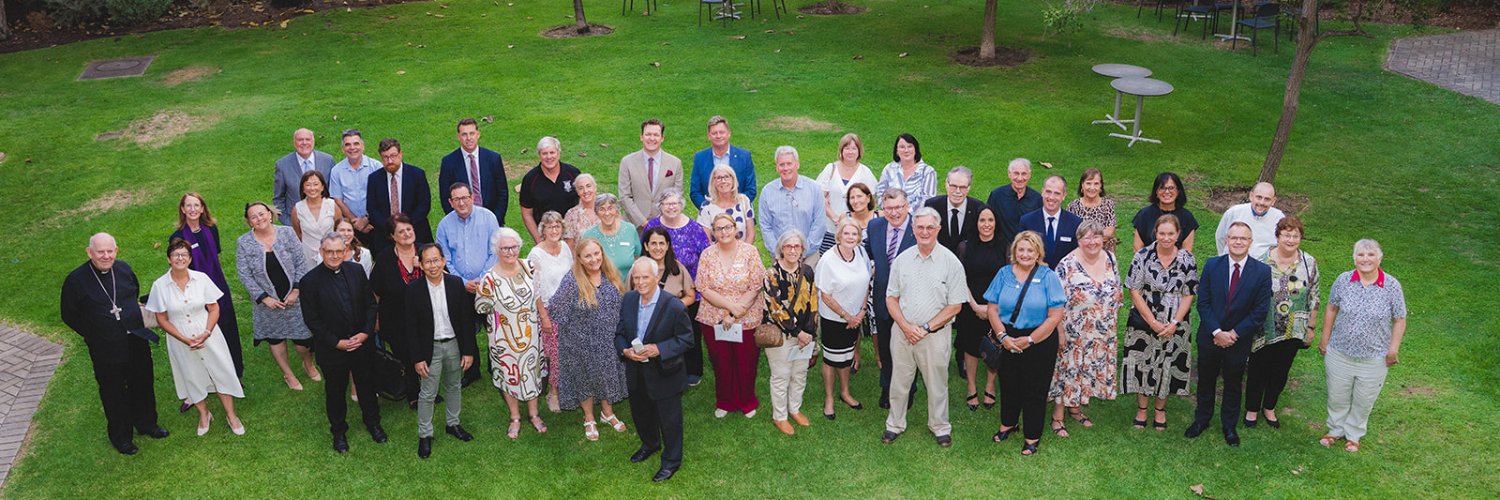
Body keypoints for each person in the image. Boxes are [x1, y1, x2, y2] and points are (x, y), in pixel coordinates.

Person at [60, 233, 169, 455]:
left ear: (116, 251)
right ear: (89, 252)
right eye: (100, 251)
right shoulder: (76, 281)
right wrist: (95, 333)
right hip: (105, 347)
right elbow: (69, 315)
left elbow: (134, 293)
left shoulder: (124, 269)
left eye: (110, 251)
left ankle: (147, 424)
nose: (106, 256)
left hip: (135, 338)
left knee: (143, 382)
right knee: (113, 391)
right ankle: (121, 437)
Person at [881, 207, 968, 448]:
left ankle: (940, 426)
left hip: (935, 336)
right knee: (899, 381)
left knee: (937, 384)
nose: (925, 231)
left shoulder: (951, 262)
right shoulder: (902, 260)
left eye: (930, 227)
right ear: (913, 229)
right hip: (902, 334)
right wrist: (906, 327)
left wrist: (926, 328)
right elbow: (891, 298)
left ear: (938, 229)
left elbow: (956, 305)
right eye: (920, 227)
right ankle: (894, 424)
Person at [145, 239, 246, 436]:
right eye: (176, 255)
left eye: (184, 254)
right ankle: (204, 413)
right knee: (191, 375)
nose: (180, 258)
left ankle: (231, 415)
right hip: (178, 337)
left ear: (190, 259)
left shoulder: (202, 278)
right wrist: (184, 339)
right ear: (168, 259)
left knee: (221, 370)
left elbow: (214, 308)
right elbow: (162, 319)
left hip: (207, 331)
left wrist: (206, 332)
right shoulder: (160, 286)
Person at [1185, 222, 1272, 448]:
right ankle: (1201, 420)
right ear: (1227, 240)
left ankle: (1229, 426)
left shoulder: (1262, 272)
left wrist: (1232, 333)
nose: (1238, 242)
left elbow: (1259, 311)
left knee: (1233, 383)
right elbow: (1203, 303)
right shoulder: (1213, 265)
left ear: (1250, 242)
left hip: (1238, 340)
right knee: (1206, 381)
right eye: (1234, 237)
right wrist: (1216, 331)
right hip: (1210, 337)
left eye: (1243, 238)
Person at [1317, 239, 1406, 453]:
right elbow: (1331, 309)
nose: (1365, 259)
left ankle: (1354, 434)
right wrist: (1324, 339)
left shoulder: (1391, 285)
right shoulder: (1343, 280)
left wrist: (1393, 349)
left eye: (1370, 255)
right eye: (1361, 255)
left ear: (1379, 258)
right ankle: (1335, 430)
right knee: (1337, 395)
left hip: (1374, 357)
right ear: (1354, 258)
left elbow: (1400, 318)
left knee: (1363, 399)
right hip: (1340, 352)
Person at [300, 235, 386, 453]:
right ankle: (339, 432)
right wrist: (336, 342)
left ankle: (373, 423)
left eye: (339, 251)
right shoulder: (309, 282)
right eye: (329, 251)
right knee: (335, 391)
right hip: (333, 350)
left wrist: (365, 334)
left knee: (367, 385)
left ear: (345, 250)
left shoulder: (356, 271)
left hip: (361, 344)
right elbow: (312, 320)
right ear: (321, 251)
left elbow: (370, 305)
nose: (334, 256)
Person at [984, 231, 1066, 455]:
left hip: (1039, 340)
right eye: (1021, 249)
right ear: (1014, 252)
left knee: (1035, 389)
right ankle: (1008, 423)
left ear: (1038, 252)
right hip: (1008, 335)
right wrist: (1003, 337)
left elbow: (1055, 315)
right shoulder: (1003, 274)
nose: (1025, 254)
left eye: (1030, 250)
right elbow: (992, 308)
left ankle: (1032, 435)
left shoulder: (1048, 276)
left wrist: (1030, 340)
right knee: (1009, 384)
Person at [616, 257, 695, 482]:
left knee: (669, 420)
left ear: (657, 277)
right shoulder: (629, 299)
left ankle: (671, 461)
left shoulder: (674, 306)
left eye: (645, 277)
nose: (640, 282)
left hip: (665, 373)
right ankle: (650, 444)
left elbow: (687, 339)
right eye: (636, 277)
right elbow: (620, 332)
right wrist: (625, 351)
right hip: (636, 371)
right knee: (641, 412)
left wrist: (659, 349)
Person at [1121, 214, 1198, 430]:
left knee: (1168, 363)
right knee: (1143, 364)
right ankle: (1142, 410)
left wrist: (1174, 321)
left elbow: (1189, 293)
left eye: (1170, 234)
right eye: (1162, 233)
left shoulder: (1187, 259)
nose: (1166, 238)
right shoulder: (1142, 256)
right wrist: (1152, 321)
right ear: (1155, 233)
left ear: (1178, 234)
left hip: (1176, 320)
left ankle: (1160, 410)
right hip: (1145, 317)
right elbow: (1134, 290)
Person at [548, 238, 630, 441]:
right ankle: (589, 417)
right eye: (588, 256)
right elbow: (555, 309)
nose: (594, 259)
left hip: (609, 340)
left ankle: (607, 413)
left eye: (596, 253)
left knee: (607, 375)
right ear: (580, 259)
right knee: (585, 378)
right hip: (580, 343)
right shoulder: (572, 281)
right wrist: (576, 332)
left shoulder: (611, 276)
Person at [1244, 215, 1319, 429]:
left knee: (1280, 371)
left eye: (1295, 235)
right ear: (1277, 236)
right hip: (1263, 328)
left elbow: (1314, 295)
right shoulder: (1260, 260)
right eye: (1286, 234)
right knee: (1258, 369)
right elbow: (1249, 294)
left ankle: (1269, 407)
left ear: (1300, 238)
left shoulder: (1309, 262)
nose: (1291, 239)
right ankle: (1251, 409)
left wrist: (1311, 327)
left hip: (1294, 329)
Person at [1048, 221, 1122, 437]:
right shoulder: (1066, 264)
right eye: (1086, 238)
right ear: (1078, 240)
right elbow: (1055, 302)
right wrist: (1060, 331)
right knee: (1068, 370)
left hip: (1102, 331)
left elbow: (1116, 291)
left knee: (1087, 369)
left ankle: (1076, 407)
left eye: (1096, 236)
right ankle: (1058, 416)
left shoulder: (1110, 259)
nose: (1092, 242)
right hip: (1074, 331)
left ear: (1103, 239)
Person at [235, 202, 320, 391]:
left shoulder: (287, 233)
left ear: (270, 214)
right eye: (253, 217)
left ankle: (308, 364)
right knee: (275, 339)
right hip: (268, 304)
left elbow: (300, 261)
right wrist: (264, 298)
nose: (259, 218)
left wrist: (296, 290)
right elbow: (244, 274)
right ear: (249, 222)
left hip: (294, 299)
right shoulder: (244, 242)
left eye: (262, 214)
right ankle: (288, 374)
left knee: (303, 342)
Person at [405, 244, 478, 459]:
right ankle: (425, 434)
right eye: (428, 261)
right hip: (431, 348)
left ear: (444, 261)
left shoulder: (455, 285)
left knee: (454, 386)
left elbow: (466, 320)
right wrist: (417, 358)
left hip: (454, 344)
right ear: (420, 264)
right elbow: (411, 327)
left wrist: (468, 351)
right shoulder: (413, 290)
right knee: (428, 392)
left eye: (436, 260)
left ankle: (452, 424)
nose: (433, 265)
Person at [476, 228, 549, 439]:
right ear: (497, 250)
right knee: (509, 375)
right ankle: (515, 416)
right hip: (503, 337)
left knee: (532, 373)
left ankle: (534, 414)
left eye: (514, 247)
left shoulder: (529, 267)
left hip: (530, 333)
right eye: (505, 248)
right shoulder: (489, 278)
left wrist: (543, 317)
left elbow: (537, 295)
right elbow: (480, 307)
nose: (510, 251)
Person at [695, 213, 767, 418]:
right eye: (718, 229)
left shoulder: (750, 252)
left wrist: (738, 312)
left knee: (746, 361)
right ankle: (724, 401)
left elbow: (756, 284)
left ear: (736, 229)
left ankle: (746, 400)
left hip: (748, 317)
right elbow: (703, 286)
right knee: (721, 361)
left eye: (727, 227)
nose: (724, 232)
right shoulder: (707, 255)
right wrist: (730, 309)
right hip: (714, 318)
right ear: (713, 232)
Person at [169, 192, 244, 378]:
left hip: (217, 285)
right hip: (194, 289)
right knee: (206, 329)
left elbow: (215, 254)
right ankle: (211, 375)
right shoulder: (177, 237)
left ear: (202, 208)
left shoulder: (211, 229)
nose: (193, 209)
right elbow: (179, 267)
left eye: (197, 205)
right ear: (182, 209)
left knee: (227, 328)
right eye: (189, 206)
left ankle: (234, 372)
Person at [761, 231, 818, 435]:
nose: (793, 250)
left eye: (797, 246)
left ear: (802, 249)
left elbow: (813, 302)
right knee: (781, 375)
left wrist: (810, 332)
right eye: (788, 246)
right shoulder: (772, 275)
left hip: (805, 336)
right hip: (781, 335)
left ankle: (794, 408)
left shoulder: (808, 271)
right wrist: (797, 332)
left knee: (800, 373)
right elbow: (775, 309)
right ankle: (780, 416)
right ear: (781, 249)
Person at [864, 188, 915, 409]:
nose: (894, 213)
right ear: (882, 209)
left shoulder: (918, 228)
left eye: (899, 208)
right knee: (885, 347)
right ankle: (887, 386)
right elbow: (867, 253)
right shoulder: (875, 226)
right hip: (883, 299)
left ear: (907, 207)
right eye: (889, 208)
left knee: (907, 348)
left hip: (910, 302)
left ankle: (908, 388)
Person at [815, 219, 870, 420]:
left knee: (846, 357)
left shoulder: (861, 253)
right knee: (831, 359)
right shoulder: (828, 260)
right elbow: (825, 296)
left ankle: (845, 392)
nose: (850, 237)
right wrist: (847, 316)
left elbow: (866, 282)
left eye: (854, 234)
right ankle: (829, 398)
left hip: (855, 317)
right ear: (838, 236)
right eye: (846, 234)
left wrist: (862, 312)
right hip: (834, 318)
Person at [370, 214, 424, 408]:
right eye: (401, 231)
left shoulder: (425, 251)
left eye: (409, 229)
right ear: (392, 236)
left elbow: (443, 277)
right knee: (406, 356)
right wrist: (375, 318)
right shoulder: (385, 258)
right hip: (395, 318)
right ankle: (413, 393)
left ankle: (429, 390)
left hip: (425, 316)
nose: (406, 233)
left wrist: (424, 266)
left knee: (426, 352)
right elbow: (374, 291)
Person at [955, 207, 1004, 411]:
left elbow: (1008, 279)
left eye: (990, 220)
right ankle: (972, 386)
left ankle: (990, 385)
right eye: (982, 219)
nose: (986, 224)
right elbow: (959, 278)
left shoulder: (1005, 246)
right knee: (971, 347)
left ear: (995, 222)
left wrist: (992, 308)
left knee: (995, 345)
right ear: (976, 223)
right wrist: (975, 305)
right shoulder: (965, 247)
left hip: (997, 306)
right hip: (970, 305)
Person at [640, 226, 700, 385]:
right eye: (653, 243)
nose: (658, 248)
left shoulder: (677, 268)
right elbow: (630, 298)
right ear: (646, 246)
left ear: (668, 246)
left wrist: (673, 308)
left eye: (661, 243)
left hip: (671, 325)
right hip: (646, 325)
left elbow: (691, 295)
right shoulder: (638, 269)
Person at [527, 211, 572, 412]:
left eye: (557, 226)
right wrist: (543, 316)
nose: (554, 230)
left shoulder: (565, 248)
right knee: (556, 354)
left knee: (570, 350)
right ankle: (553, 393)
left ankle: (568, 388)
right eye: (549, 227)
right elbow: (534, 289)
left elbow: (572, 277)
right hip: (548, 310)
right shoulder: (535, 254)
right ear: (542, 230)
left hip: (570, 308)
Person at [759, 146, 826, 266]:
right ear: (777, 167)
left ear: (797, 165)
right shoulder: (767, 192)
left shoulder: (814, 189)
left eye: (789, 164)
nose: (785, 168)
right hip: (780, 258)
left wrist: (803, 251)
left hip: (809, 258)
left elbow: (819, 223)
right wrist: (780, 253)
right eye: (781, 164)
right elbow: (766, 226)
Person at [366, 138, 434, 253]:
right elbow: (372, 208)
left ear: (400, 154)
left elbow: (424, 205)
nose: (390, 161)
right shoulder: (374, 179)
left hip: (416, 232)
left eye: (393, 156)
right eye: (385, 157)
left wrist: (405, 228)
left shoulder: (417, 175)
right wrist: (391, 229)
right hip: (385, 236)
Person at [814, 133, 878, 253]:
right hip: (830, 228)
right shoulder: (831, 169)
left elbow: (870, 202)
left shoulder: (865, 172)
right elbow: (819, 197)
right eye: (847, 148)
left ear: (859, 151)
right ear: (841, 150)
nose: (850, 152)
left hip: (854, 232)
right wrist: (835, 217)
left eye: (854, 148)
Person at [438, 118, 508, 224]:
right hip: (462, 222)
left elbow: (502, 193)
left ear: (478, 134)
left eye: (472, 133)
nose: (469, 138)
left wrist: (495, 220)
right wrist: (459, 221)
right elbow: (445, 197)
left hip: (491, 219)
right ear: (458, 137)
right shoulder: (449, 162)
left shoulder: (493, 158)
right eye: (464, 134)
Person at [436, 182, 500, 291]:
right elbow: (444, 259)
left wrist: (482, 279)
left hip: (488, 284)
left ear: (472, 198)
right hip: (457, 287)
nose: (461, 203)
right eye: (456, 199)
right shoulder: (444, 226)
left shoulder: (489, 218)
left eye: (464, 198)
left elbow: (494, 253)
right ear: (450, 202)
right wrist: (462, 283)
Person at [619, 118, 683, 227]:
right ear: (641, 136)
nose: (652, 138)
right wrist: (643, 222)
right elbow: (624, 196)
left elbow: (677, 196)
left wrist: (661, 221)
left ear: (662, 138)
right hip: (634, 225)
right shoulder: (627, 162)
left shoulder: (675, 163)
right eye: (648, 134)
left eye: (656, 135)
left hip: (664, 225)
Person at [520, 136, 582, 243]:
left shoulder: (573, 173)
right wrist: (539, 241)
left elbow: (584, 202)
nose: (549, 157)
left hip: (572, 235)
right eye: (544, 153)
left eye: (552, 152)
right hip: (546, 236)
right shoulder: (530, 179)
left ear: (558, 153)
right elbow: (526, 213)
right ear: (539, 155)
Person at [689, 115, 756, 208]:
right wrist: (709, 210)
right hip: (711, 217)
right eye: (714, 133)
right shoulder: (700, 158)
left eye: (721, 132)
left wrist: (735, 209)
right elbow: (695, 192)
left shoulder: (744, 156)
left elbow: (751, 190)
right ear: (709, 136)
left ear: (729, 133)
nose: (718, 136)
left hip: (740, 215)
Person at [641, 191, 712, 280]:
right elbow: (643, 254)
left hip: (690, 284)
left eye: (674, 203)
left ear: (681, 205)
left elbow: (707, 256)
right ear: (660, 206)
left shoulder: (695, 228)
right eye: (666, 204)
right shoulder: (652, 226)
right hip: (658, 282)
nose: (671, 207)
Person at [328, 129, 380, 248]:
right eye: (348, 144)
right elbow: (338, 200)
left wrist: (367, 219)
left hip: (375, 222)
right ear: (343, 149)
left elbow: (382, 197)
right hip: (351, 226)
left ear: (363, 146)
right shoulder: (336, 171)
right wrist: (355, 222)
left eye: (356, 143)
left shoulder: (376, 166)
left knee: (380, 259)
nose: (352, 148)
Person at [1020, 175, 1083, 269]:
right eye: (1048, 192)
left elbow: (1078, 256)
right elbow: (1020, 253)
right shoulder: (1027, 221)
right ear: (1042, 192)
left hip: (1063, 279)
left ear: (1064, 195)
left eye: (1057, 193)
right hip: (1034, 276)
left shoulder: (1075, 223)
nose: (1051, 197)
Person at [273, 128, 334, 225]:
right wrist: (289, 222)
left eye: (308, 139)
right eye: (300, 140)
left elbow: (333, 192)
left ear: (313, 141)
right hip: (296, 223)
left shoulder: (327, 161)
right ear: (294, 142)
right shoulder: (282, 165)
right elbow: (278, 199)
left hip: (324, 221)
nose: (304, 143)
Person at [1132, 172, 1197, 252]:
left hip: (1178, 263)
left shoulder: (1187, 217)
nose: (1167, 192)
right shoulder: (1144, 215)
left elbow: (1187, 252)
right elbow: (1137, 248)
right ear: (1156, 192)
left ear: (1178, 191)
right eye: (1162, 188)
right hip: (1147, 263)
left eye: (1171, 188)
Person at [1214, 182, 1284, 257]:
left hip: (1264, 265)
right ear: (1251, 196)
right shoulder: (1234, 212)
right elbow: (1220, 237)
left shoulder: (1279, 218)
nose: (1262, 202)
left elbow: (1282, 245)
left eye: (1267, 199)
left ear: (1273, 201)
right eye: (1259, 197)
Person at [923, 166, 983, 253]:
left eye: (962, 187)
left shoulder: (978, 208)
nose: (957, 191)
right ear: (946, 184)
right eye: (953, 186)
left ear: (969, 188)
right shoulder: (932, 206)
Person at [985, 158, 1042, 248]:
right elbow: (987, 220)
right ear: (1009, 174)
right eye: (1016, 173)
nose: (1020, 178)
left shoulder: (1037, 199)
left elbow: (1040, 228)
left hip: (1027, 250)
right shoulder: (997, 195)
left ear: (1029, 175)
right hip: (1001, 249)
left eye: (1024, 174)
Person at [583, 194, 642, 279]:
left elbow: (637, 257)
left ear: (617, 211)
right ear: (596, 213)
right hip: (601, 289)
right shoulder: (589, 235)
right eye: (602, 209)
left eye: (610, 208)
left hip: (628, 288)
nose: (607, 213)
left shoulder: (630, 229)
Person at [696, 166, 757, 246]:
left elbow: (751, 233)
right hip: (716, 255)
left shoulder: (744, 201)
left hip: (743, 254)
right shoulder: (706, 207)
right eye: (718, 178)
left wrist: (742, 254)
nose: (723, 181)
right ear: (713, 182)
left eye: (726, 177)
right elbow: (705, 239)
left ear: (733, 179)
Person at [876, 133, 937, 208]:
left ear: (916, 149)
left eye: (910, 146)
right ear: (897, 151)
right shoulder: (889, 169)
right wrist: (890, 210)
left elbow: (928, 199)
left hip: (917, 217)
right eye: (902, 147)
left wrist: (906, 214)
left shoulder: (927, 171)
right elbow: (880, 194)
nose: (906, 150)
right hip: (891, 215)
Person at [292, 170, 338, 263]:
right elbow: (298, 234)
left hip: (332, 254)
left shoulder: (332, 205)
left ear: (322, 187)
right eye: (308, 185)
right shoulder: (297, 209)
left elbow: (339, 229)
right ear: (303, 189)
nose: (312, 188)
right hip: (308, 256)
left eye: (316, 184)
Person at [1065, 168, 1117, 250]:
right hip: (1079, 254)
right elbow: (1068, 233)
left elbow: (1109, 233)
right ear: (1082, 185)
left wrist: (1084, 237)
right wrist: (1098, 236)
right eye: (1088, 183)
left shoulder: (1108, 205)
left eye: (1096, 184)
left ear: (1101, 186)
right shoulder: (1072, 206)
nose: (1092, 188)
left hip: (1103, 254)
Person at [563, 173, 601, 249]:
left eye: (588, 186)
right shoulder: (571, 214)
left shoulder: (606, 209)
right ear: (577, 192)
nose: (585, 191)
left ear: (595, 187)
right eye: (581, 188)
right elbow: (569, 246)